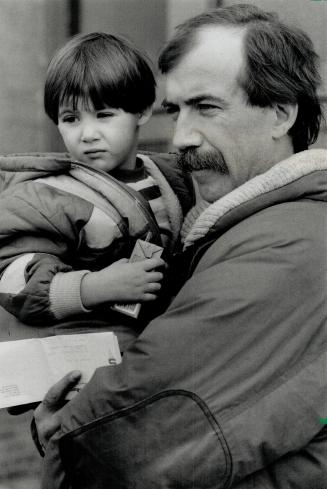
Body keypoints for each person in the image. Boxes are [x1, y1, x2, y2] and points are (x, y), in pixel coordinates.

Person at [36, 4, 327, 488]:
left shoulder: (287, 246)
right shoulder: (245, 224)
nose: (181, 138)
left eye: (207, 107)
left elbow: (127, 441)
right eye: (176, 110)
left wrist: (61, 431)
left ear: (281, 113)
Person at [0, 32, 193, 348]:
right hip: (83, 349)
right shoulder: (49, 197)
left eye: (104, 115)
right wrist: (98, 286)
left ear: (143, 112)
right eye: (71, 118)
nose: (88, 134)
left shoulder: (173, 178)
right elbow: (15, 280)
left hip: (162, 338)